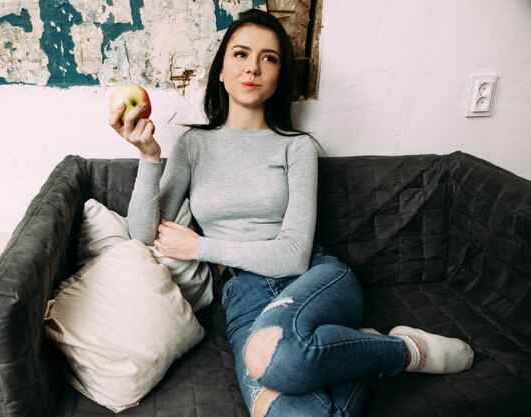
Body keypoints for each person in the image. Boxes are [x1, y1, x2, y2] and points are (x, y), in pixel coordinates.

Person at [109, 9, 474, 417]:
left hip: (314, 279)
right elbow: (141, 235)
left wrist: (201, 247)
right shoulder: (194, 145)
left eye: (269, 58)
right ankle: (360, 352)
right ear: (221, 71)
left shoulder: (296, 147)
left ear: (280, 76)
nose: (253, 67)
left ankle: (405, 351)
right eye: (241, 54)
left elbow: (294, 254)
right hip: (242, 296)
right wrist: (149, 157)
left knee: (280, 359)